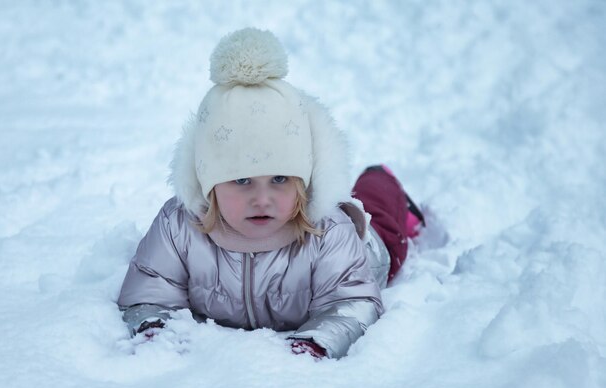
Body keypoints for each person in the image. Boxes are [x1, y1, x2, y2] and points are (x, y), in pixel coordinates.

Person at [117, 28, 424, 359]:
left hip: (368, 252)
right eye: (242, 180)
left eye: (279, 178)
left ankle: (383, 179)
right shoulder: (179, 226)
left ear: (302, 181)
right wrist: (154, 326)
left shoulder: (329, 231)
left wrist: (319, 339)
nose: (262, 198)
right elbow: (150, 290)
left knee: (378, 208)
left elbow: (352, 302)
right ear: (209, 183)